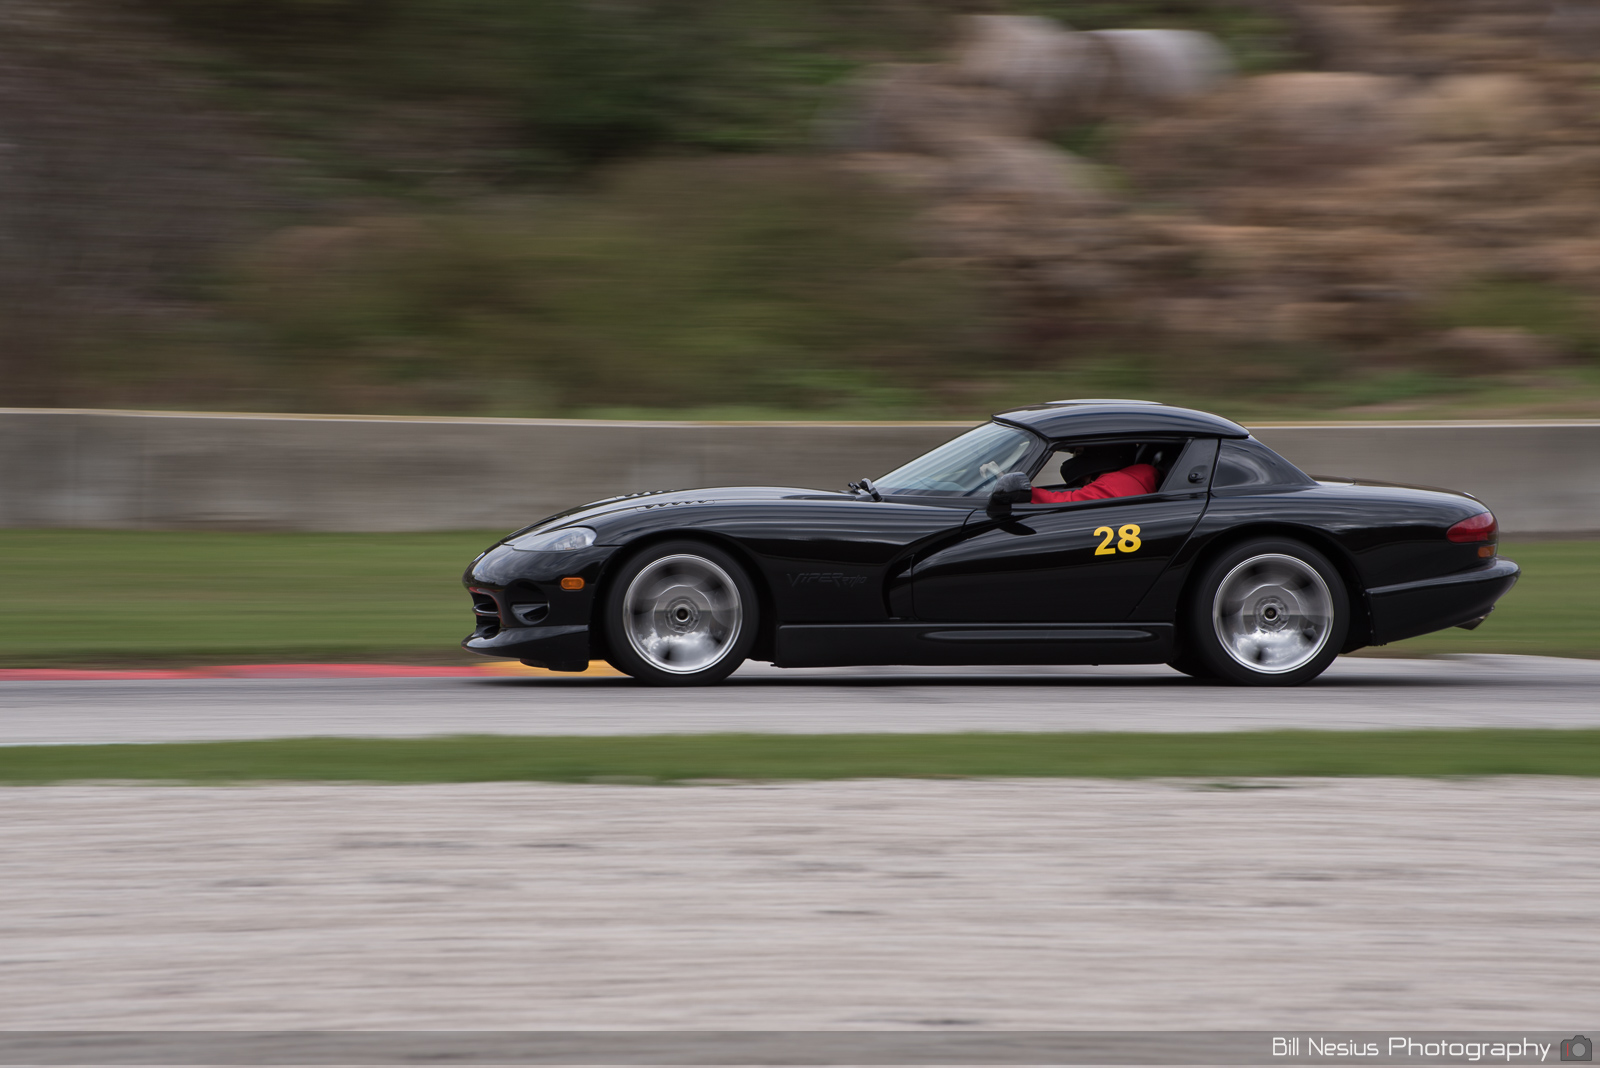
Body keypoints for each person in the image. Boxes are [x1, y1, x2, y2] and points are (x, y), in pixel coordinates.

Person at [1030, 444, 1160, 503]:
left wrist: (1027, 492)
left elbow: (1064, 502)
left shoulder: (1111, 486)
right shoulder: (1135, 477)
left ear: (1100, 456)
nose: (1074, 459)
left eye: (1078, 453)